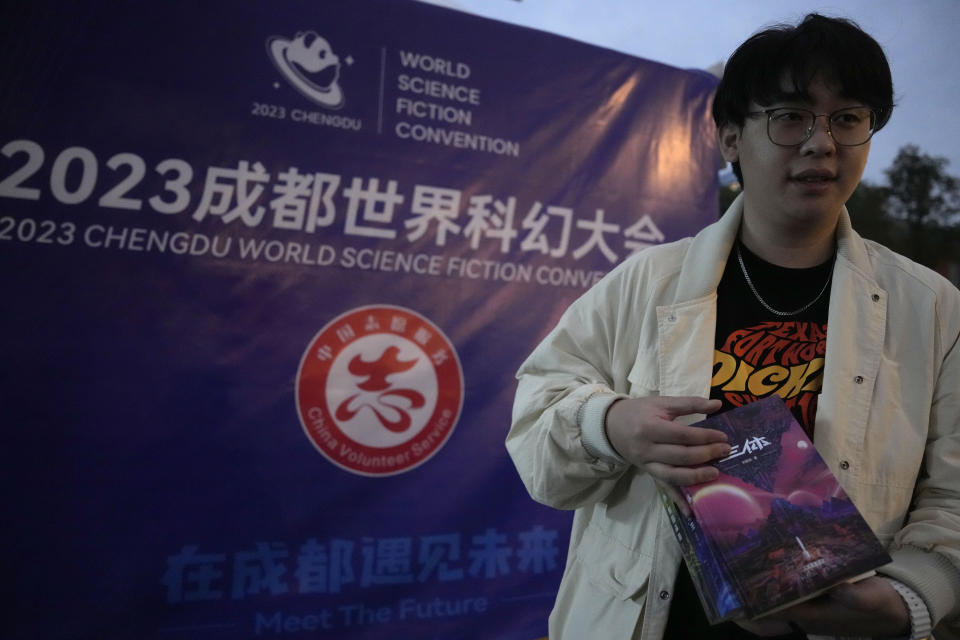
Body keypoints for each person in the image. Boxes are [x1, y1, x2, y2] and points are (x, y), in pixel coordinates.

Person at [506, 13, 960, 640]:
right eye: (790, 116)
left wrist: (913, 596)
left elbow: (953, 495)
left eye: (848, 119)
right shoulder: (644, 283)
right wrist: (608, 424)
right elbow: (535, 425)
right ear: (729, 139)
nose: (821, 143)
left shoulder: (933, 308)